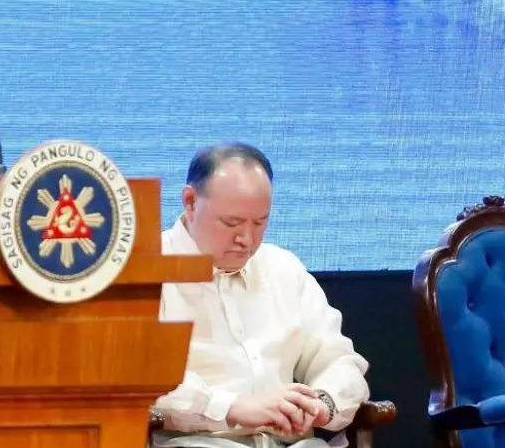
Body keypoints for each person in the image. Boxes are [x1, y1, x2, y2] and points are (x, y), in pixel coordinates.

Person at [151, 143, 370, 448]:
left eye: (259, 222)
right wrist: (232, 407)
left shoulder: (283, 269)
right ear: (190, 201)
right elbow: (136, 383)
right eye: (232, 223)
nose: (246, 239)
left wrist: (322, 403)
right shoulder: (146, 270)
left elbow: (338, 359)